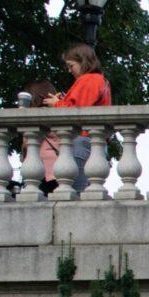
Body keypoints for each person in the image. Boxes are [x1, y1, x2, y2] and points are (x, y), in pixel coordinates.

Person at [42, 44, 112, 191]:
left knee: (77, 191)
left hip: (83, 140)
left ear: (83, 61)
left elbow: (77, 111)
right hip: (92, 141)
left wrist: (56, 104)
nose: (69, 70)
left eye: (71, 65)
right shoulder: (99, 80)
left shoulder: (89, 80)